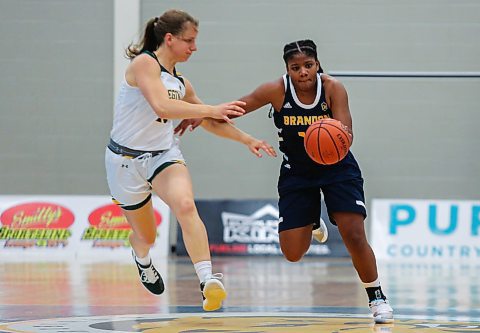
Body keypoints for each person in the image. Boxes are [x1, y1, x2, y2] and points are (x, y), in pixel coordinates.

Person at [176, 39, 394, 323]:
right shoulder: (275, 90)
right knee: (293, 253)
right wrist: (203, 114)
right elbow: (234, 109)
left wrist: (326, 134)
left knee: (353, 233)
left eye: (308, 65)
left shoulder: (333, 89)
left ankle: (376, 297)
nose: (303, 72)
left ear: (317, 64)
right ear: (287, 70)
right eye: (296, 67)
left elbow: (346, 133)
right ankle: (313, 220)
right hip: (297, 172)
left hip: (337, 168)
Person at [105, 9, 276, 312]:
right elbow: (162, 105)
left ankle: (208, 281)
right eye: (189, 41)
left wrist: (246, 139)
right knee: (146, 236)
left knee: (185, 205)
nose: (194, 48)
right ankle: (142, 258)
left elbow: (211, 120)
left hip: (163, 156)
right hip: (124, 160)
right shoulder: (144, 63)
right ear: (169, 39)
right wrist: (209, 109)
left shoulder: (182, 81)